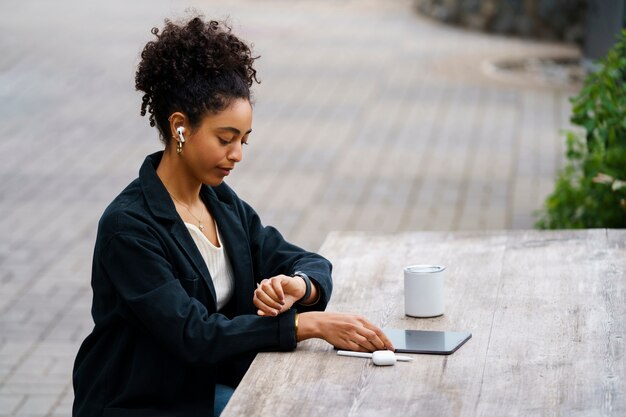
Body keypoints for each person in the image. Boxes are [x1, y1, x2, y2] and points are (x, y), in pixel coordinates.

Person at [72, 15, 393, 417]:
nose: (238, 154)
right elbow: (194, 333)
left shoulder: (220, 202)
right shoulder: (129, 227)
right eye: (225, 139)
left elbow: (307, 260)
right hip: (146, 404)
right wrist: (306, 325)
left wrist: (299, 286)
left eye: (243, 140)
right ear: (180, 129)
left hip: (209, 388)